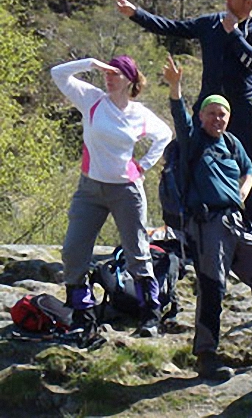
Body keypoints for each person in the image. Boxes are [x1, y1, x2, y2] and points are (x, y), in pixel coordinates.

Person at [162, 55, 252, 380]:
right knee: (212, 286)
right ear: (201, 116)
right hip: (208, 224)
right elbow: (178, 117)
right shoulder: (193, 141)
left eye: (223, 114)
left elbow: (249, 171)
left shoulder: (231, 142)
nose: (218, 118)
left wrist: (241, 195)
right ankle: (206, 355)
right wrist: (176, 87)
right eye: (212, 113)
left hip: (237, 221)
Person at [113, 0, 252, 236]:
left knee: (250, 170)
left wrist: (233, 32)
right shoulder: (211, 23)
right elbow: (173, 27)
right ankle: (186, 227)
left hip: (242, 109)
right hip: (206, 106)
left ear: (249, 2)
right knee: (184, 156)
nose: (227, 0)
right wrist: (136, 14)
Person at [51, 55, 172, 342]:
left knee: (137, 252)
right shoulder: (91, 100)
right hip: (89, 189)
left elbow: (164, 135)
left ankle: (149, 315)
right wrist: (91, 63)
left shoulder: (139, 114)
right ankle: (82, 314)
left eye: (116, 73)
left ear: (130, 80)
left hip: (126, 191)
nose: (109, 77)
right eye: (108, 72)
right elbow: (58, 73)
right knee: (73, 250)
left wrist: (142, 165)